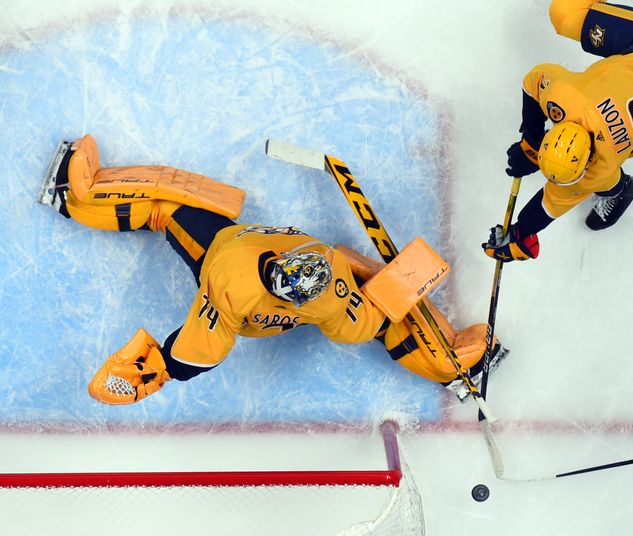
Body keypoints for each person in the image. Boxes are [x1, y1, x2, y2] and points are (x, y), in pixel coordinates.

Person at [38, 134, 507, 405]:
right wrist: (153, 369)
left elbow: (199, 350)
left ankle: (449, 366)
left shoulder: (306, 296)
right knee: (172, 202)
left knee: (391, 311)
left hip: (233, 261)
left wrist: (153, 369)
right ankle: (78, 192)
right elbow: (197, 352)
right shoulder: (258, 289)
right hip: (233, 257)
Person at [483, 0, 633, 262]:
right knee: (564, 14)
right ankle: (619, 188)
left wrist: (522, 231)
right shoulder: (566, 97)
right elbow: (535, 80)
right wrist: (532, 144)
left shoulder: (598, 167)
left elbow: (549, 205)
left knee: (608, 172)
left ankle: (622, 188)